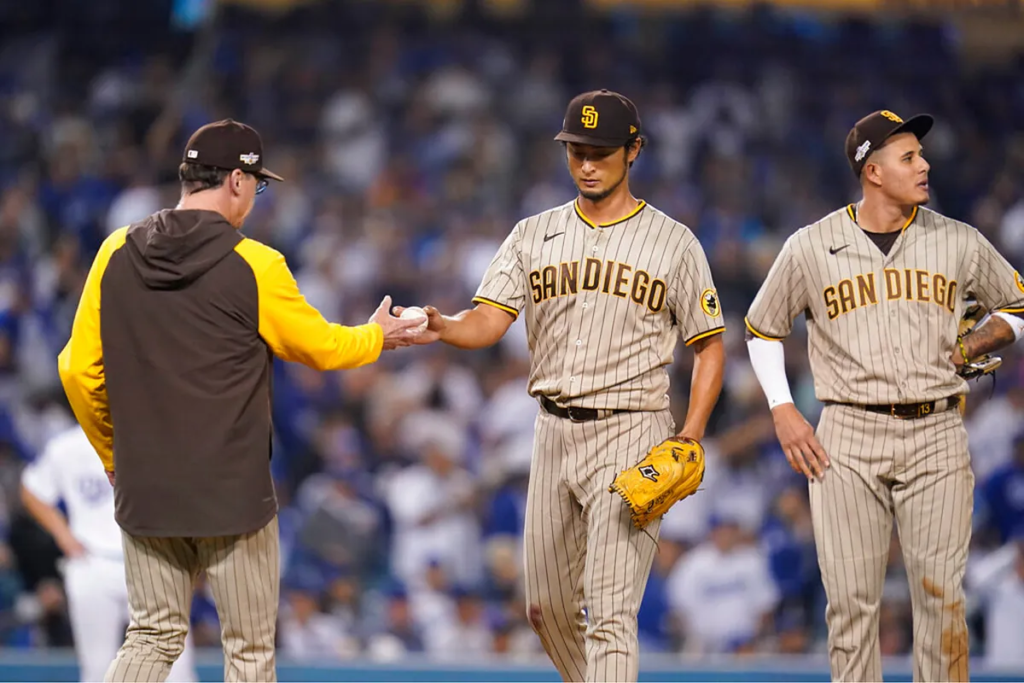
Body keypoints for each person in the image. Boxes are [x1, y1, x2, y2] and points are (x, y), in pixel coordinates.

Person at [57, 119, 421, 682]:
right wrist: (378, 335)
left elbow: (78, 372)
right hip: (232, 493)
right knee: (248, 652)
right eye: (257, 183)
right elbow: (321, 347)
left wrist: (114, 456)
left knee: (152, 638)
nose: (256, 195)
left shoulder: (113, 253)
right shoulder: (256, 263)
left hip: (147, 486)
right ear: (235, 179)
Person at [400, 90, 726, 682]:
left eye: (601, 151)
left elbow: (709, 346)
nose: (587, 163)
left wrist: (693, 434)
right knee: (545, 609)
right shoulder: (533, 233)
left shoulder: (675, 242)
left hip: (633, 429)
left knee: (608, 613)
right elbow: (489, 320)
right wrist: (445, 327)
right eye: (577, 150)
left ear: (634, 151)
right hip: (551, 432)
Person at [745, 109, 1024, 682]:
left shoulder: (957, 240)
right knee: (850, 609)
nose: (924, 165)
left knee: (942, 601)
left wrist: (980, 338)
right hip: (846, 434)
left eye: (920, 155)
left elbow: (1018, 304)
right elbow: (762, 327)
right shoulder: (812, 246)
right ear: (872, 171)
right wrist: (782, 408)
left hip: (937, 431)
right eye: (909, 157)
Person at [20, 424, 199, 683]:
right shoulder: (68, 445)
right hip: (93, 562)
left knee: (177, 672)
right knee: (97, 670)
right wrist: (63, 534)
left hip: (153, 561)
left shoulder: (155, 435)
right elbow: (31, 489)